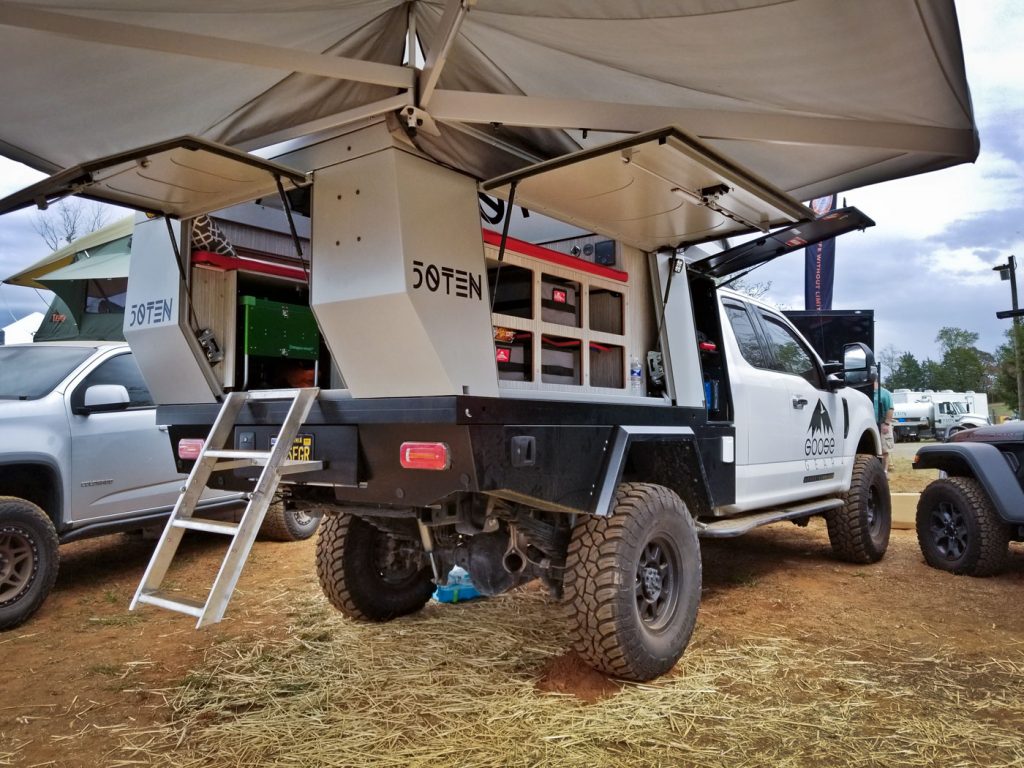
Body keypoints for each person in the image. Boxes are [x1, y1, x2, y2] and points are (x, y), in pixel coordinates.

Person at [872, 371, 894, 472]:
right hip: (871, 424)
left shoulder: (885, 393)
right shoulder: (867, 393)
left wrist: (886, 423)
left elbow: (890, 409)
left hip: (882, 424)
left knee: (885, 449)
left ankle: (884, 471)